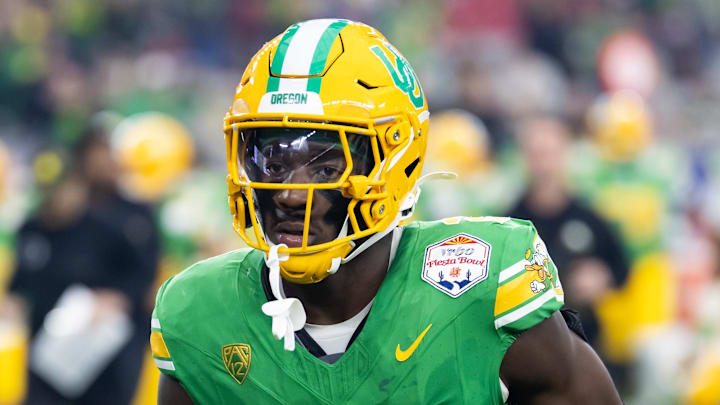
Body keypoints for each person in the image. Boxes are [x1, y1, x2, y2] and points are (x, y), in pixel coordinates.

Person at [151, 19, 621, 404]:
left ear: (397, 160)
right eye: (272, 162)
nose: (290, 194)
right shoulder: (199, 315)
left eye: (325, 164)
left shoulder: (476, 283)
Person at [8, 130, 159, 404]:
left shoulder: (108, 230)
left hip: (99, 352)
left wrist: (116, 297)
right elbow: (19, 285)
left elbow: (139, 275)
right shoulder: (30, 231)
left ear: (77, 185)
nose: (55, 200)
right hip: (46, 353)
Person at [506, 115, 629, 346]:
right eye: (536, 154)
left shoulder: (589, 217)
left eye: (550, 154)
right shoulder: (509, 222)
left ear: (565, 155)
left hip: (584, 339)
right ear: (524, 158)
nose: (544, 165)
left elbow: (622, 268)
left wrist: (602, 276)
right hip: (525, 343)